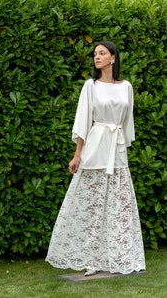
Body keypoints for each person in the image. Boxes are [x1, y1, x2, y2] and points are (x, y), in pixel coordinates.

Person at [45, 41, 146, 276]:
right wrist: (77, 154)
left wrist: (123, 144)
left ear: (113, 58)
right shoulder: (90, 86)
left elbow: (127, 121)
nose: (96, 57)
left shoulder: (126, 87)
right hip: (95, 147)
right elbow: (83, 121)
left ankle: (121, 256)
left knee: (119, 204)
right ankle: (93, 259)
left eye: (102, 53)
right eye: (95, 54)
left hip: (117, 149)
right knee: (93, 204)